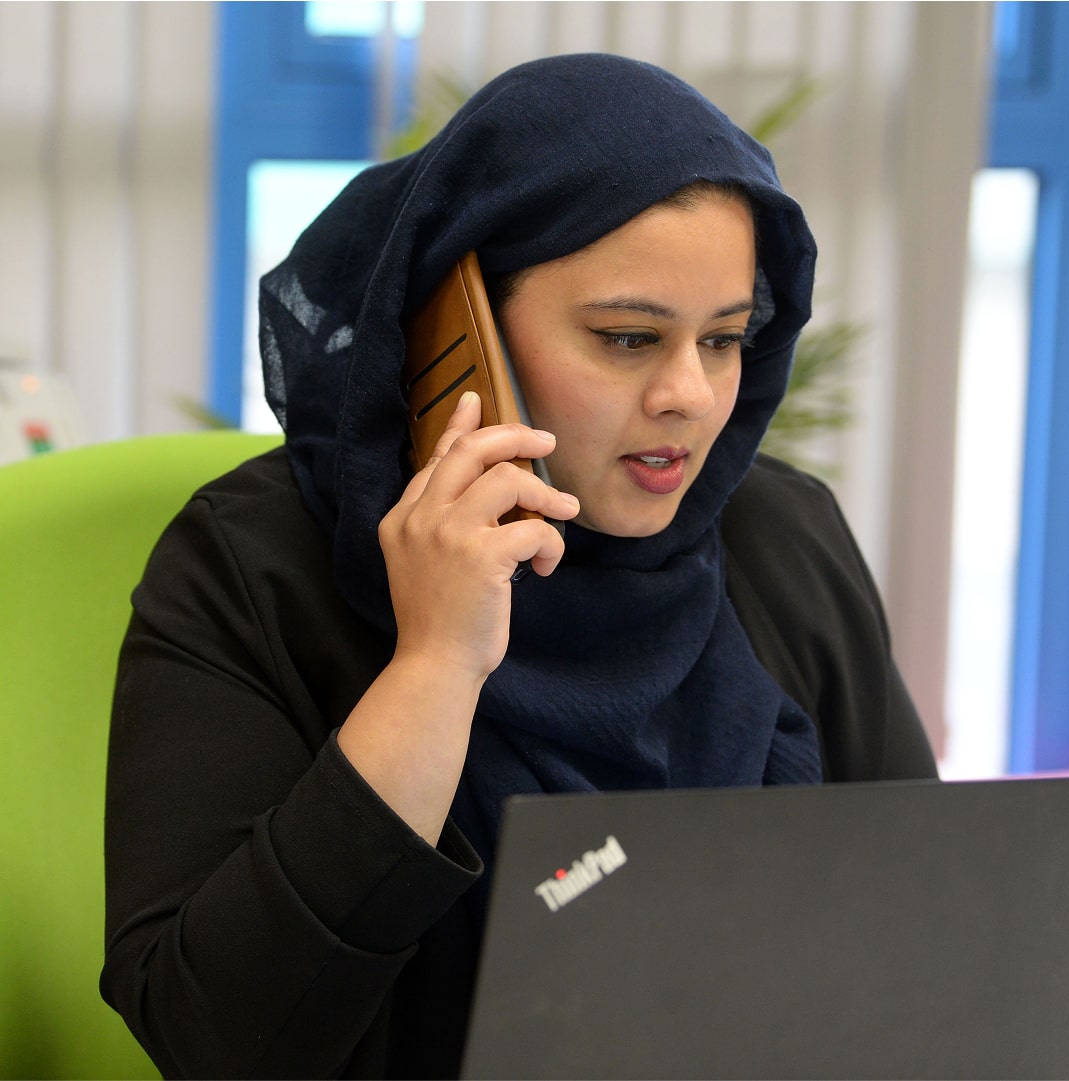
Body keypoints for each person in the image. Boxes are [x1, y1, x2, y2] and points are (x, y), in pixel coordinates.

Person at [100, 53, 937, 1079]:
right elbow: (212, 1035)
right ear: (458, 329)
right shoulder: (254, 568)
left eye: (725, 340)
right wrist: (436, 666)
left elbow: (921, 937)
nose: (691, 395)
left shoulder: (781, 536)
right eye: (629, 338)